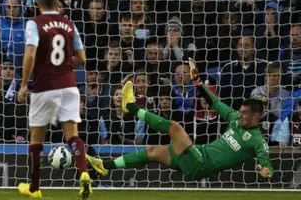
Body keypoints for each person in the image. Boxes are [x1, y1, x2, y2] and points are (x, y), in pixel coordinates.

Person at [86, 59, 273, 182]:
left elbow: (266, 163)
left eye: (244, 114)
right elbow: (214, 102)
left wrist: (265, 170)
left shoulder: (257, 140)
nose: (240, 115)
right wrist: (198, 82)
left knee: (175, 127)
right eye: (240, 112)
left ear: (256, 116)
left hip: (202, 164)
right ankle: (104, 165)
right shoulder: (234, 118)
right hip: (198, 154)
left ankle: (133, 108)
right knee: (152, 151)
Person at [16, 0, 91, 199]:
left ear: (38, 5)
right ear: (58, 5)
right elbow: (81, 58)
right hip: (69, 85)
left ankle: (35, 187)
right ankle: (84, 173)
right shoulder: (69, 24)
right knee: (72, 135)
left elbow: (30, 54)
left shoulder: (35, 23)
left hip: (44, 86)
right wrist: (66, 65)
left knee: (36, 138)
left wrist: (23, 85)